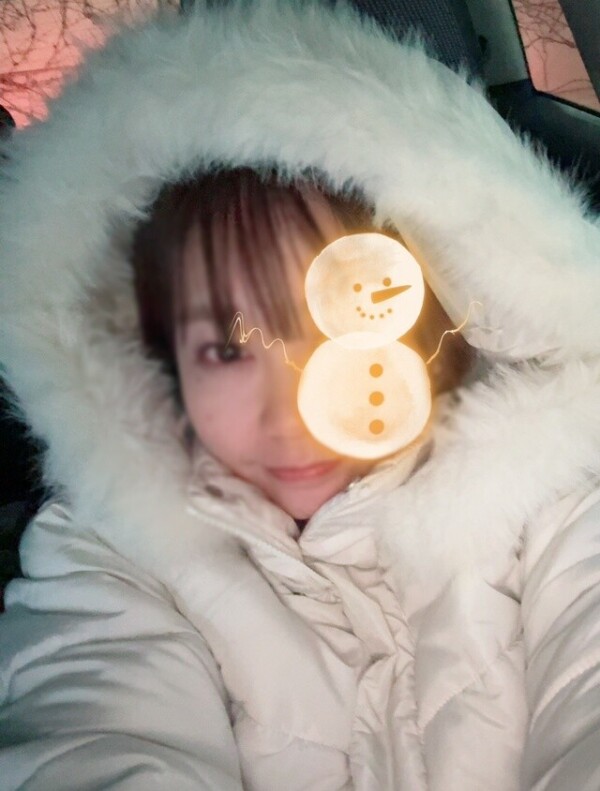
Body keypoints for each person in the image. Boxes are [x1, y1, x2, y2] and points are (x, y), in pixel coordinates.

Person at [1, 2, 600, 789]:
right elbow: (92, 725)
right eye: (226, 349)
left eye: (341, 325)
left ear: (432, 312)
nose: (289, 412)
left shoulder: (552, 494)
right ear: (158, 358)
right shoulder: (118, 553)